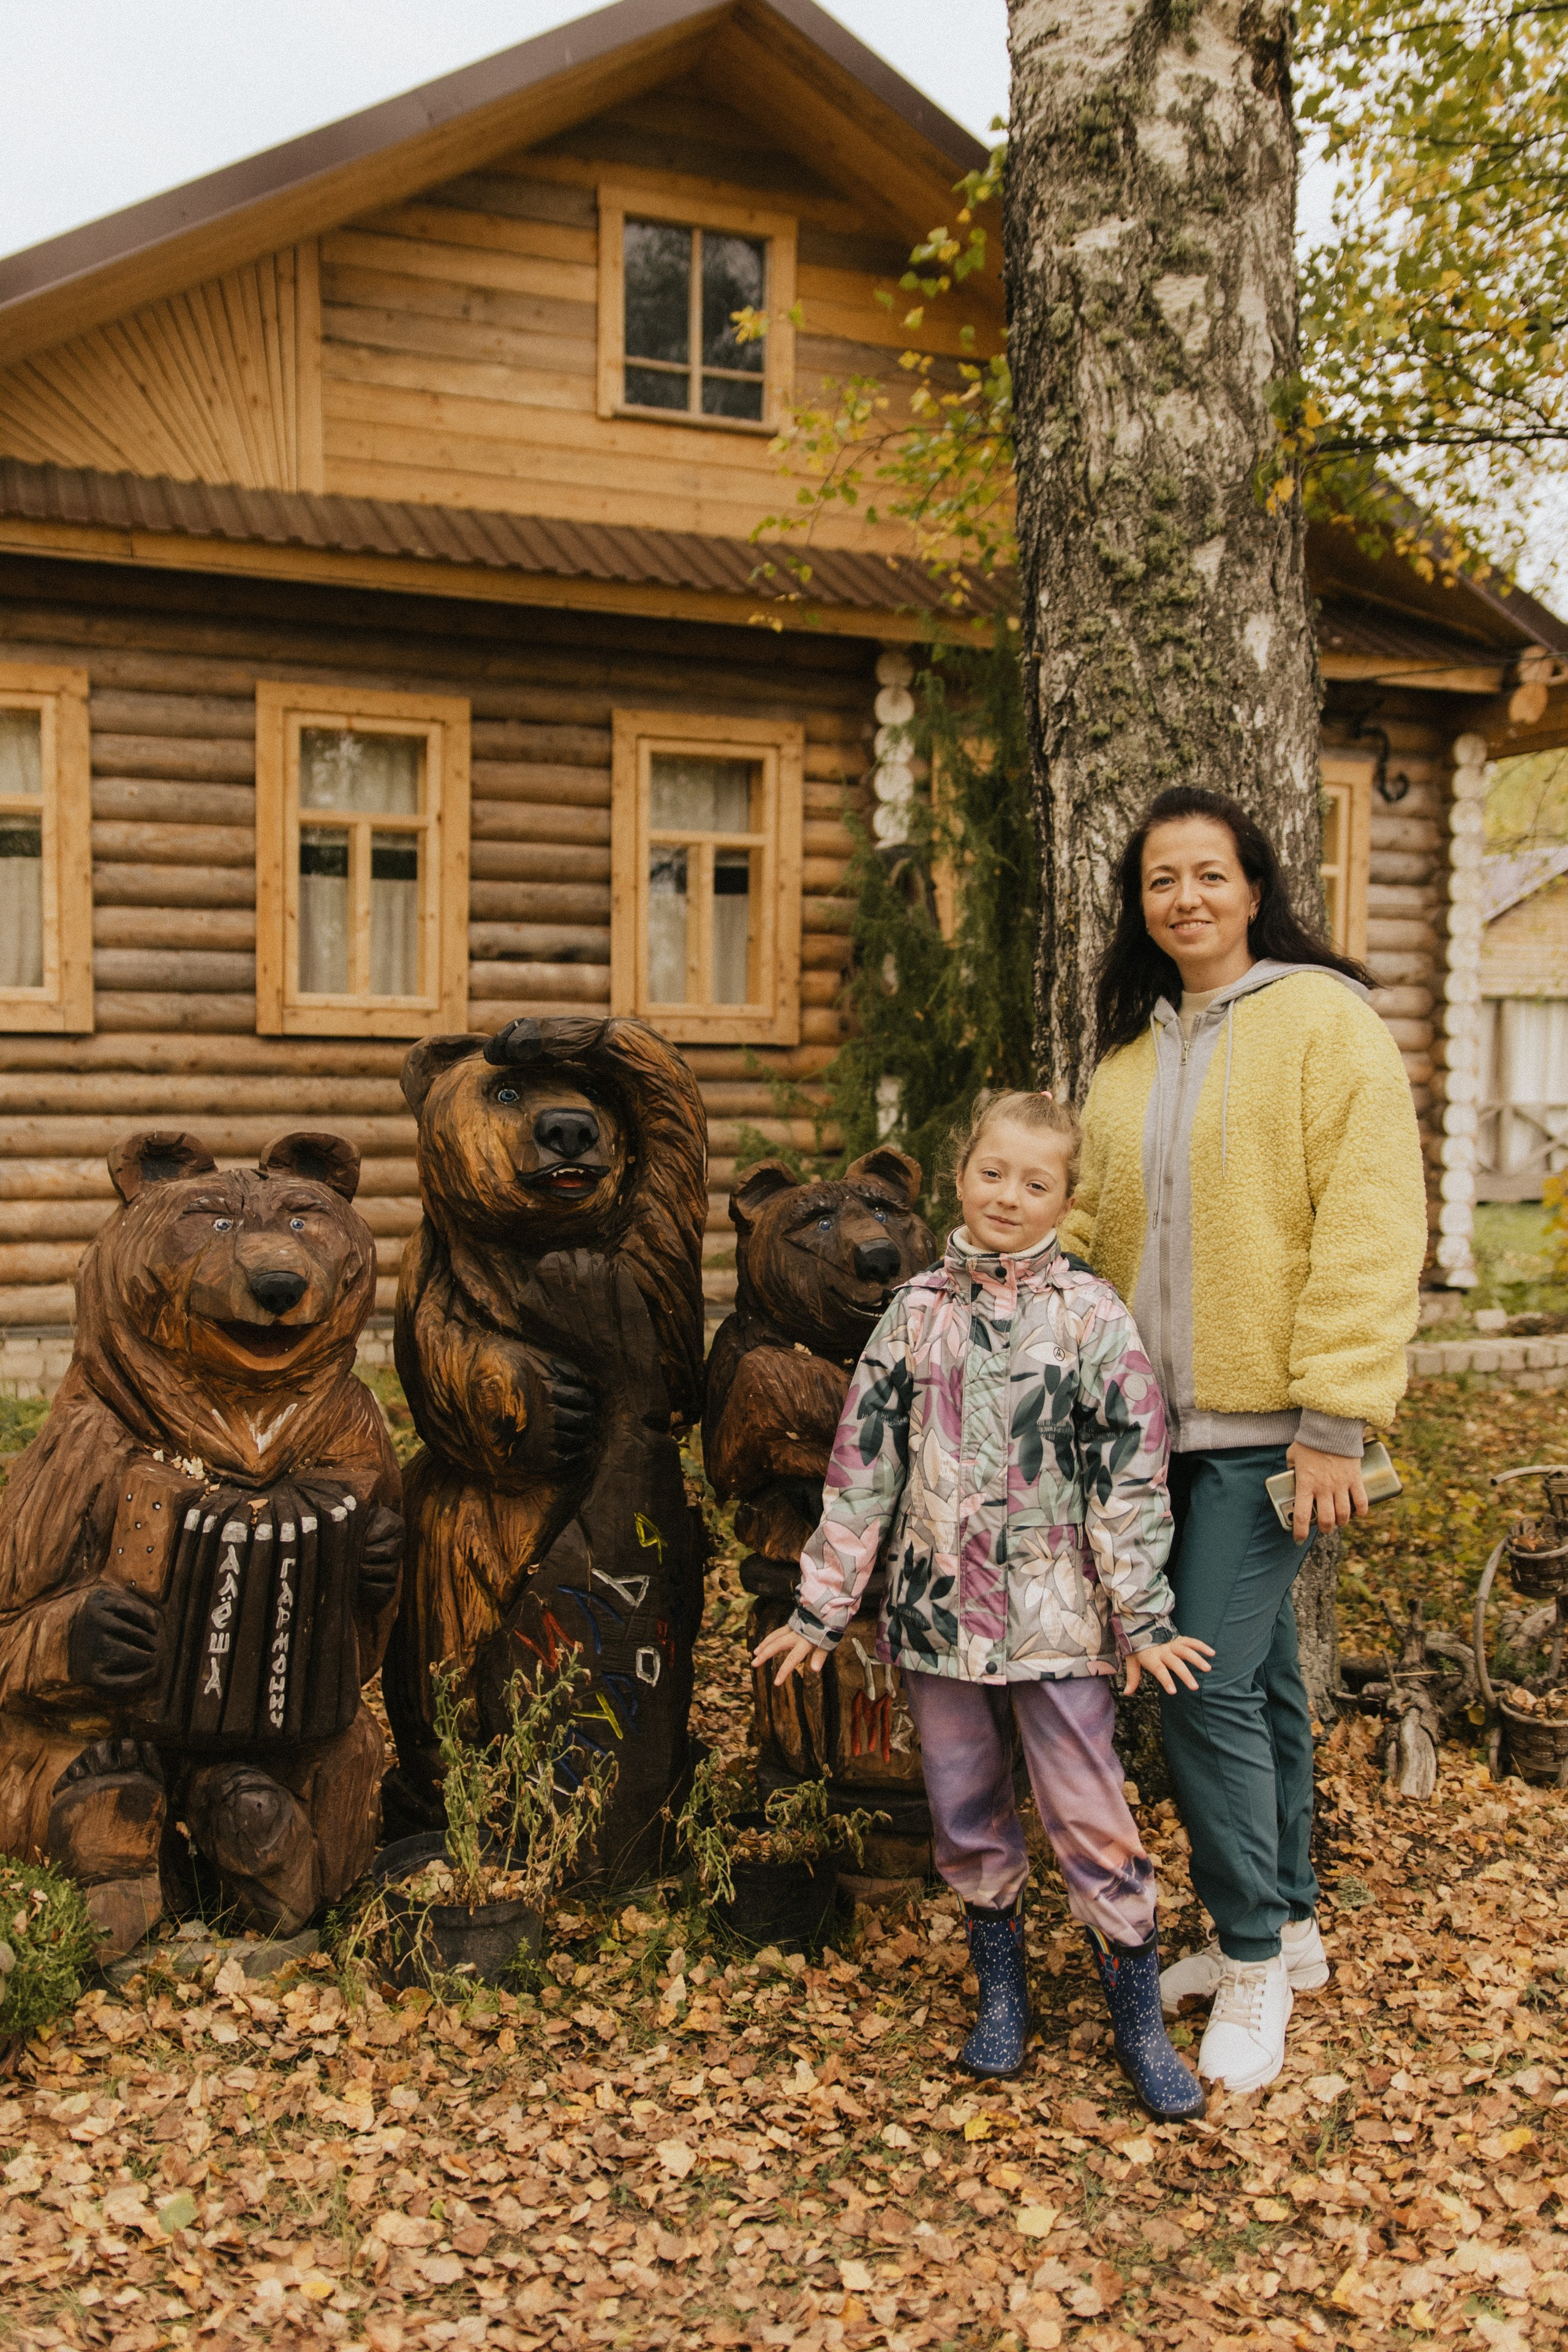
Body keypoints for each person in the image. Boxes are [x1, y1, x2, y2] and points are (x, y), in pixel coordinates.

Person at [1061, 785, 1427, 2094]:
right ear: (1139, 903)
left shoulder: (1322, 1021)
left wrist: (1336, 1417)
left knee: (1199, 1682)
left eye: (1209, 874)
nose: (1187, 899)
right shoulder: (1126, 1058)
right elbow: (1095, 1226)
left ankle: (1251, 1959)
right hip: (1154, 1433)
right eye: (1161, 880)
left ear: (1254, 888)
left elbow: (1370, 1218)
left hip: (1276, 1431)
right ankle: (1294, 1927)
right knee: (1258, 1680)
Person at [752, 1091, 1214, 2117]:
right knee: (965, 1811)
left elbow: (1132, 1475)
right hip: (937, 1619)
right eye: (993, 1173)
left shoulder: (1092, 1318)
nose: (1009, 1196)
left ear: (1065, 1200)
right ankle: (1002, 1996)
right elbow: (863, 1470)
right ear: (962, 1176)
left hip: (1060, 1625)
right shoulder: (913, 1315)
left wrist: (1142, 1615)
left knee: (1089, 1813)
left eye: (1036, 1183)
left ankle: (1138, 2021)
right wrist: (821, 1608)